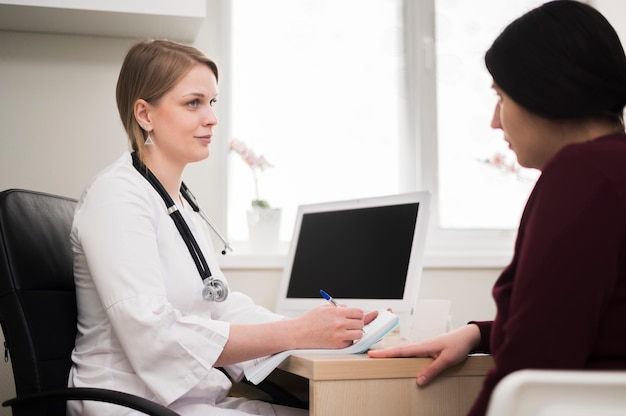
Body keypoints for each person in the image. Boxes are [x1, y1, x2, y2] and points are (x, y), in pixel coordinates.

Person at [68, 39, 377, 416]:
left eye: (212, 102)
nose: (212, 118)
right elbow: (152, 334)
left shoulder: (176, 202)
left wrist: (321, 328)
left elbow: (220, 306)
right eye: (193, 103)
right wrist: (297, 333)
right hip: (132, 404)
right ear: (145, 115)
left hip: (190, 401)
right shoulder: (116, 197)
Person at [368, 1, 626, 415]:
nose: (494, 120)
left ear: (545, 89)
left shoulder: (583, 174)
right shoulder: (611, 169)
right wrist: (479, 334)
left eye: (501, 97)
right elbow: (591, 319)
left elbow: (536, 361)